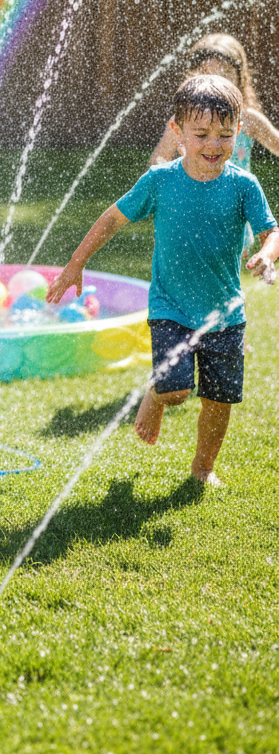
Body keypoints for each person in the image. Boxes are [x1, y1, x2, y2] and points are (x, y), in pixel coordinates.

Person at [47, 74, 279, 486]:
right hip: (170, 305)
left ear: (239, 131)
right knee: (175, 390)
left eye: (225, 135)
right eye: (201, 134)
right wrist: (75, 265)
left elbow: (270, 231)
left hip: (225, 313)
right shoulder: (160, 181)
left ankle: (203, 468)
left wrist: (266, 254)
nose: (213, 145)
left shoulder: (243, 185)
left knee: (219, 401)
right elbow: (112, 218)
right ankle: (156, 394)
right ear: (178, 131)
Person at [150, 33, 279, 170]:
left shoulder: (248, 119)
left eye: (226, 73)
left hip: (236, 185)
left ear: (240, 78)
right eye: (207, 73)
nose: (217, 82)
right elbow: (158, 161)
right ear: (193, 78)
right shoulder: (183, 120)